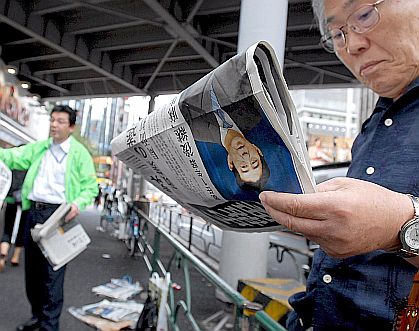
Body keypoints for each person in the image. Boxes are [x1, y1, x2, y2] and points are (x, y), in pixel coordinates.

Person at [259, 0, 419, 330]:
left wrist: (400, 227)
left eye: (363, 15)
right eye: (337, 33)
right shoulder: (376, 122)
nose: (352, 45)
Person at [0, 105, 98, 331]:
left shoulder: (80, 154)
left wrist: (78, 203)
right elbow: (14, 157)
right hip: (32, 211)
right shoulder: (40, 148)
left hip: (58, 216)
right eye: (52, 120)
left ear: (71, 127)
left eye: (60, 121)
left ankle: (49, 325)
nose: (54, 125)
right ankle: (37, 316)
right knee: (32, 273)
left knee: (52, 274)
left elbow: (90, 187)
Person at [0, 169, 27, 272]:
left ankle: (3, 253)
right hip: (24, 199)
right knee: (22, 228)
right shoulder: (29, 159)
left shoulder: (12, 158)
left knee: (8, 227)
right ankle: (15, 257)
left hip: (11, 197)